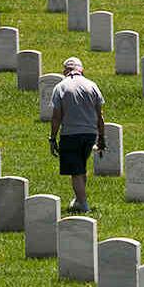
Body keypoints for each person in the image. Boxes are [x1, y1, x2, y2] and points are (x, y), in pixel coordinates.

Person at [48, 57, 105, 213]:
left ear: (65, 71)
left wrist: (52, 138)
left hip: (71, 134)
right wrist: (102, 137)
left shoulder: (60, 87)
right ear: (82, 70)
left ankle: (83, 204)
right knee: (81, 167)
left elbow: (56, 117)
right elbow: (100, 115)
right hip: (90, 134)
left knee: (75, 172)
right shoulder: (92, 85)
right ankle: (79, 200)